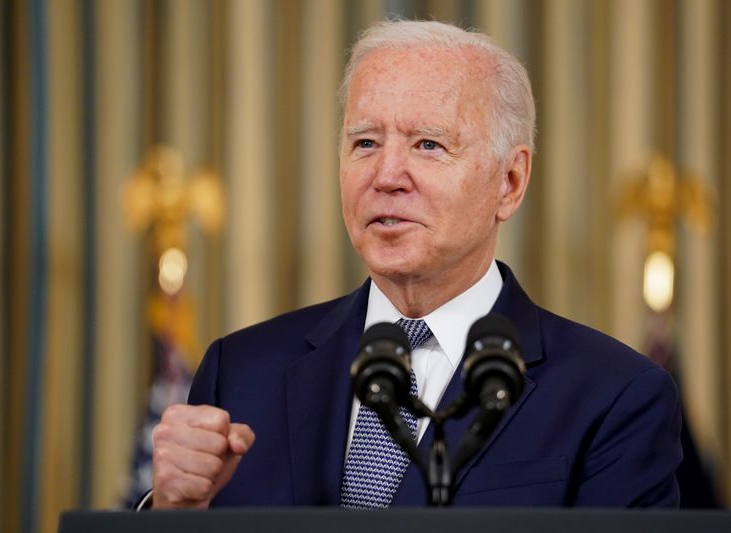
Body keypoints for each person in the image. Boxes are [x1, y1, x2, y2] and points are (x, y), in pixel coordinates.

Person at [145, 20, 682, 510]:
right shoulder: (239, 372)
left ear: (510, 182)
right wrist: (171, 512)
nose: (386, 176)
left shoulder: (615, 396)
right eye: (364, 142)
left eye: (428, 144)